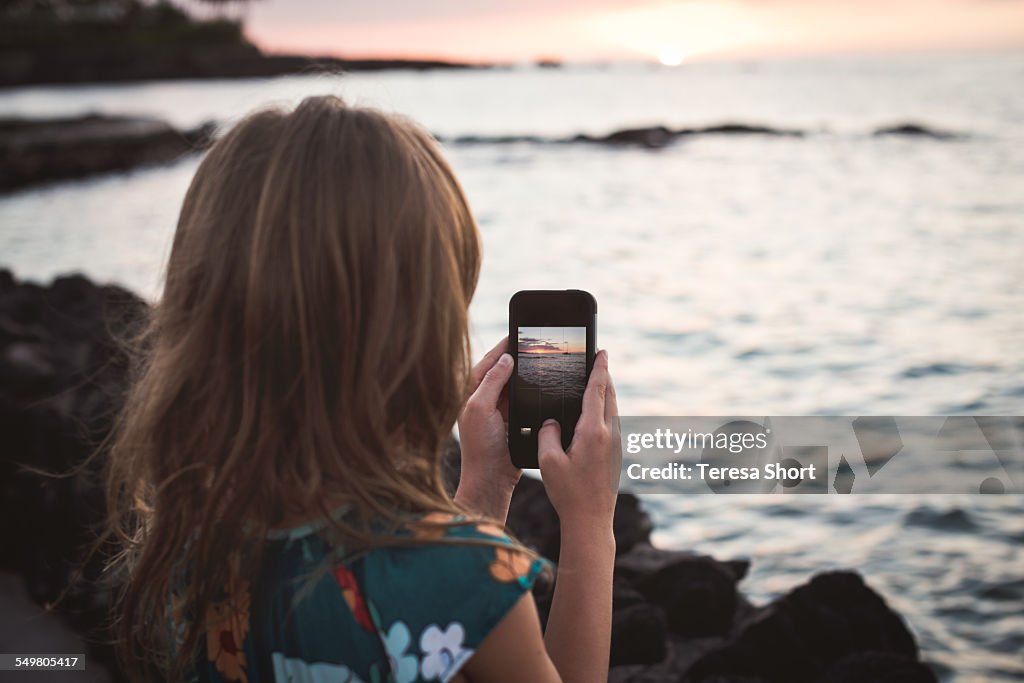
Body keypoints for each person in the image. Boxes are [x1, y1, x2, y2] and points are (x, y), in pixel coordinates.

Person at [106, 95, 621, 683]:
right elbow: (439, 603)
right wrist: (589, 524)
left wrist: (486, 481)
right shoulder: (466, 577)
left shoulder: (186, 545)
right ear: (413, 332)